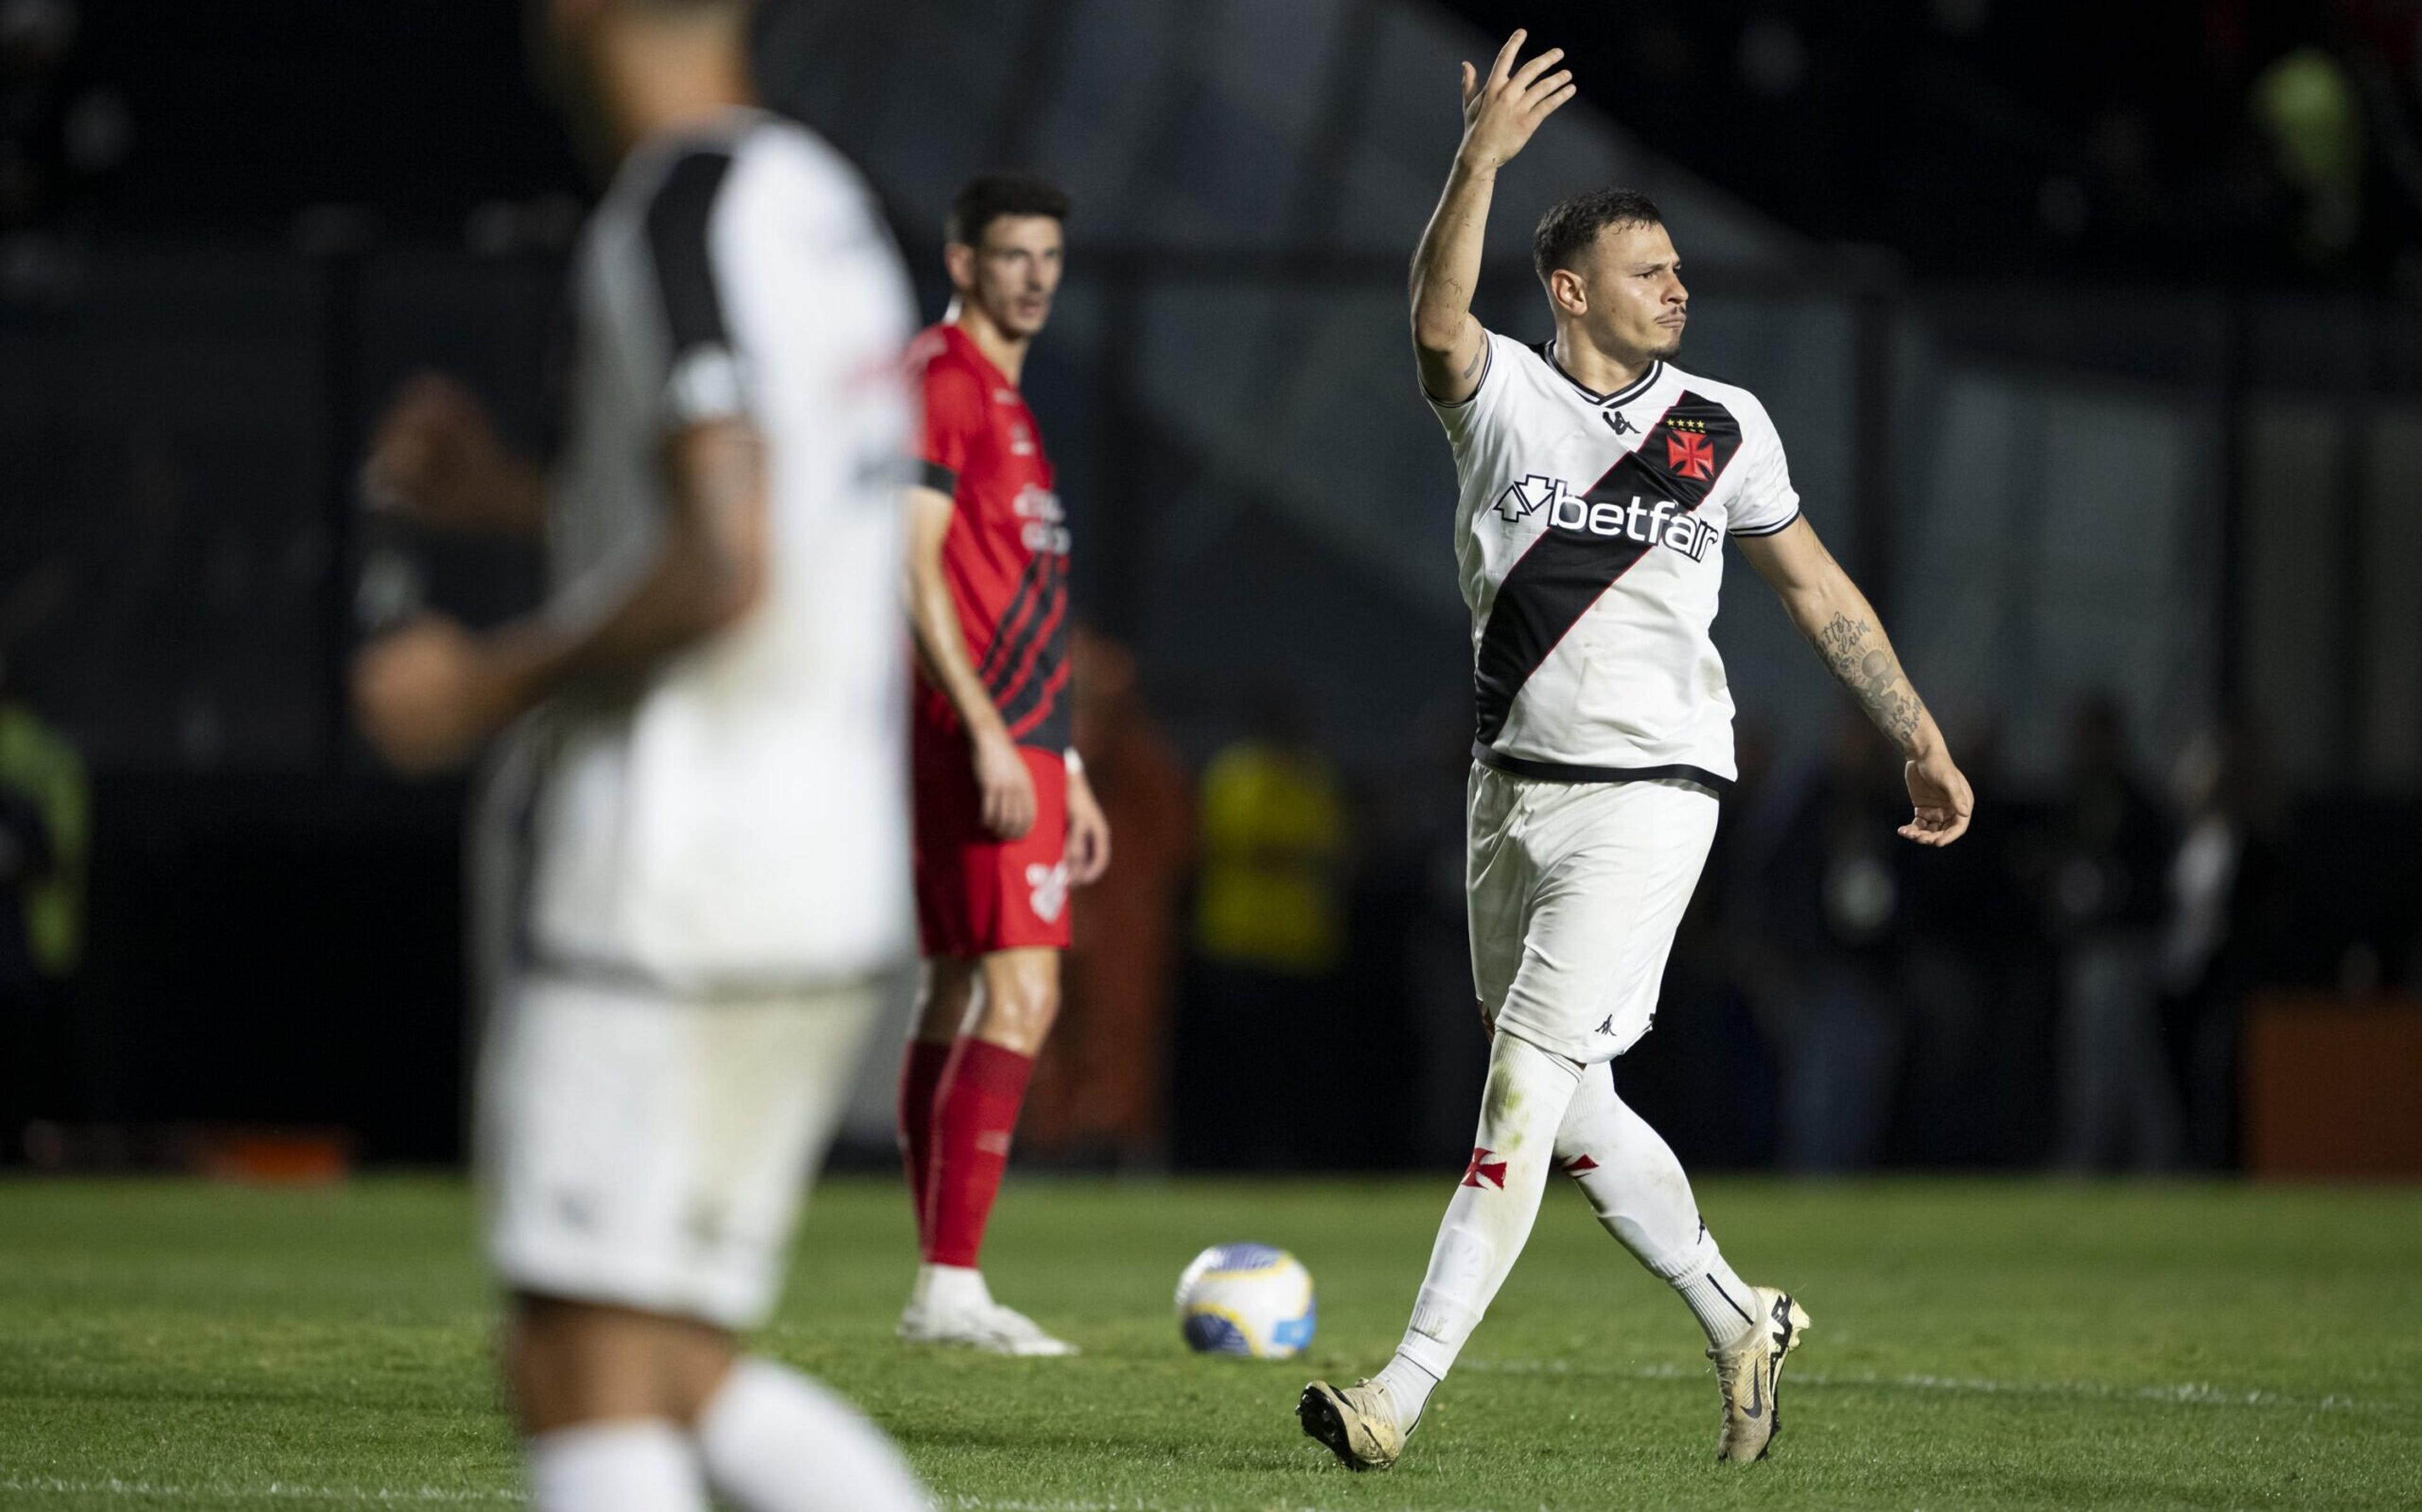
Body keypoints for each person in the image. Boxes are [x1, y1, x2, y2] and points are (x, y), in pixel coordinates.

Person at [1297, 31, 1974, 1473]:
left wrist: (1913, 730)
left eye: (1679, 265)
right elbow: (1432, 321)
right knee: (1576, 1099)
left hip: (1655, 795)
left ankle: (1396, 1396)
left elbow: (1819, 593)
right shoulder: (1503, 403)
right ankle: (1740, 1310)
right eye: (1647, 267)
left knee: (1523, 1089)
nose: (1678, 284)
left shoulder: (1719, 428)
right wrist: (1478, 159)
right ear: (1568, 291)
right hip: (1509, 794)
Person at [351, 2, 927, 1508]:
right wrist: (521, 498)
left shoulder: (673, 211)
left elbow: (727, 560)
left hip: (676, 868)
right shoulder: (827, 206)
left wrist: (479, 681)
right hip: (824, 868)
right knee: (664, 1361)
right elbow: (761, 519)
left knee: (578, 1366)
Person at [892, 172, 1110, 1355]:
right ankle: (951, 1281)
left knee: (954, 986)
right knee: (1024, 992)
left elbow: (1016, 592)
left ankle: (941, 1280)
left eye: (1049, 256)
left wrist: (1063, 756)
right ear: (963, 261)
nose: (1035, 274)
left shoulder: (1009, 406)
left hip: (1020, 734)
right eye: (1011, 254)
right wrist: (985, 729)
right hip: (974, 730)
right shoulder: (944, 381)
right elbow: (911, 560)